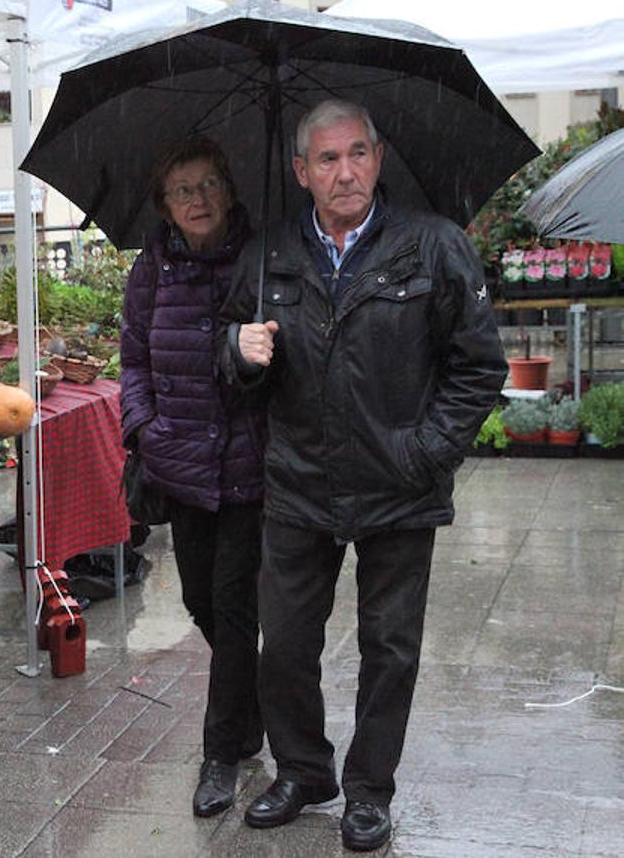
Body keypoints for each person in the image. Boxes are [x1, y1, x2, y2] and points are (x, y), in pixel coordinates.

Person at [219, 100, 507, 852]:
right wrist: (236, 353)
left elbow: (478, 369)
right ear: (301, 171)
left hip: (398, 488)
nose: (344, 172)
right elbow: (233, 367)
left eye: (357, 154)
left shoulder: (434, 247)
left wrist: (424, 452)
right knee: (281, 644)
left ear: (378, 158)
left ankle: (370, 789)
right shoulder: (268, 256)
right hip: (300, 485)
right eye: (326, 159)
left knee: (390, 648)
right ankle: (303, 770)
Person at [120, 137, 267, 818]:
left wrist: (252, 355)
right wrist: (143, 430)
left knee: (234, 608)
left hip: (248, 463)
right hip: (179, 462)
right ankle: (254, 703)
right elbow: (133, 363)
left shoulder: (264, 259)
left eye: (210, 184)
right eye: (184, 189)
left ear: (230, 191)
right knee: (201, 603)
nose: (199, 198)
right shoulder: (151, 270)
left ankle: (219, 755)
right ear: (165, 205)